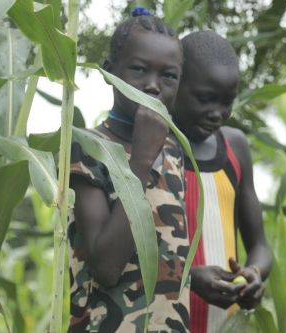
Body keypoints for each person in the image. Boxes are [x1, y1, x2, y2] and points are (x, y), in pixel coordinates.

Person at [67, 8, 190, 332]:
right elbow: (105, 267)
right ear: (109, 72)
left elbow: (167, 251)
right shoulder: (88, 147)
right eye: (138, 70)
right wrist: (141, 160)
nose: (153, 86)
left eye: (169, 76)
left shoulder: (174, 151)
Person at [171, 31, 272, 333]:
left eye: (227, 102)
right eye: (205, 99)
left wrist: (253, 274)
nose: (217, 114)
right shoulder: (153, 149)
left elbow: (260, 246)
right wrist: (187, 277)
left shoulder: (234, 148)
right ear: (175, 84)